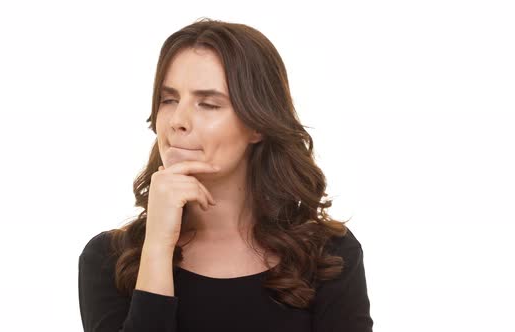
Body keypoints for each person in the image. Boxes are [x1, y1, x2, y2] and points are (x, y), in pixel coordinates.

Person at [78, 17, 373, 332]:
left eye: (208, 104)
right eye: (169, 100)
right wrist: (158, 246)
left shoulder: (328, 255)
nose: (178, 120)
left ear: (258, 123)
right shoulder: (108, 260)